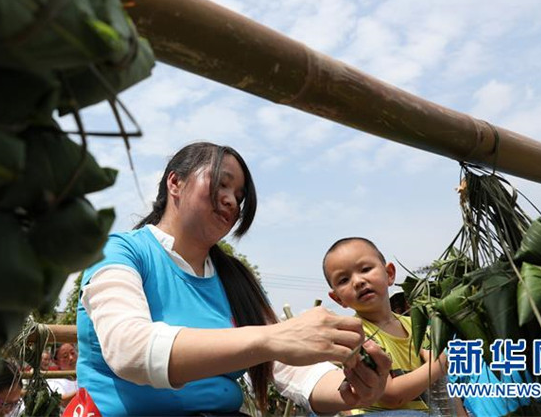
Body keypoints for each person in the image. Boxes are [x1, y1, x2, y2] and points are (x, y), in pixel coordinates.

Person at [76, 142, 390, 415]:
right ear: (175, 182)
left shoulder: (235, 278)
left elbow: (292, 370)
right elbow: (130, 350)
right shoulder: (119, 252)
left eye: (239, 196)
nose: (231, 201)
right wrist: (272, 339)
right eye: (221, 184)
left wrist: (353, 386)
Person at [323, 237, 448, 415]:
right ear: (338, 299)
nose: (358, 281)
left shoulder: (416, 327)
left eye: (365, 269)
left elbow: (444, 388)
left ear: (389, 274)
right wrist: (439, 365)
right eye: (343, 280)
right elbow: (390, 397)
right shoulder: (355, 335)